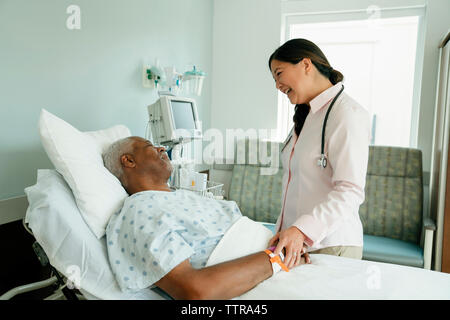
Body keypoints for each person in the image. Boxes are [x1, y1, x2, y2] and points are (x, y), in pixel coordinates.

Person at [102, 136, 310, 300]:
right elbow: (196, 292)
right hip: (269, 272)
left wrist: (285, 248)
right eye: (150, 145)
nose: (162, 148)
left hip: (283, 265)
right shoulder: (140, 211)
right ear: (128, 160)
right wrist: (277, 258)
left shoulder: (179, 196)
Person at [267, 38, 370, 269]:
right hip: (298, 244)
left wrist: (302, 230)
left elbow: (350, 191)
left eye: (279, 73)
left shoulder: (347, 114)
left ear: (305, 64)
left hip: (331, 245)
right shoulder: (308, 116)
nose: (277, 85)